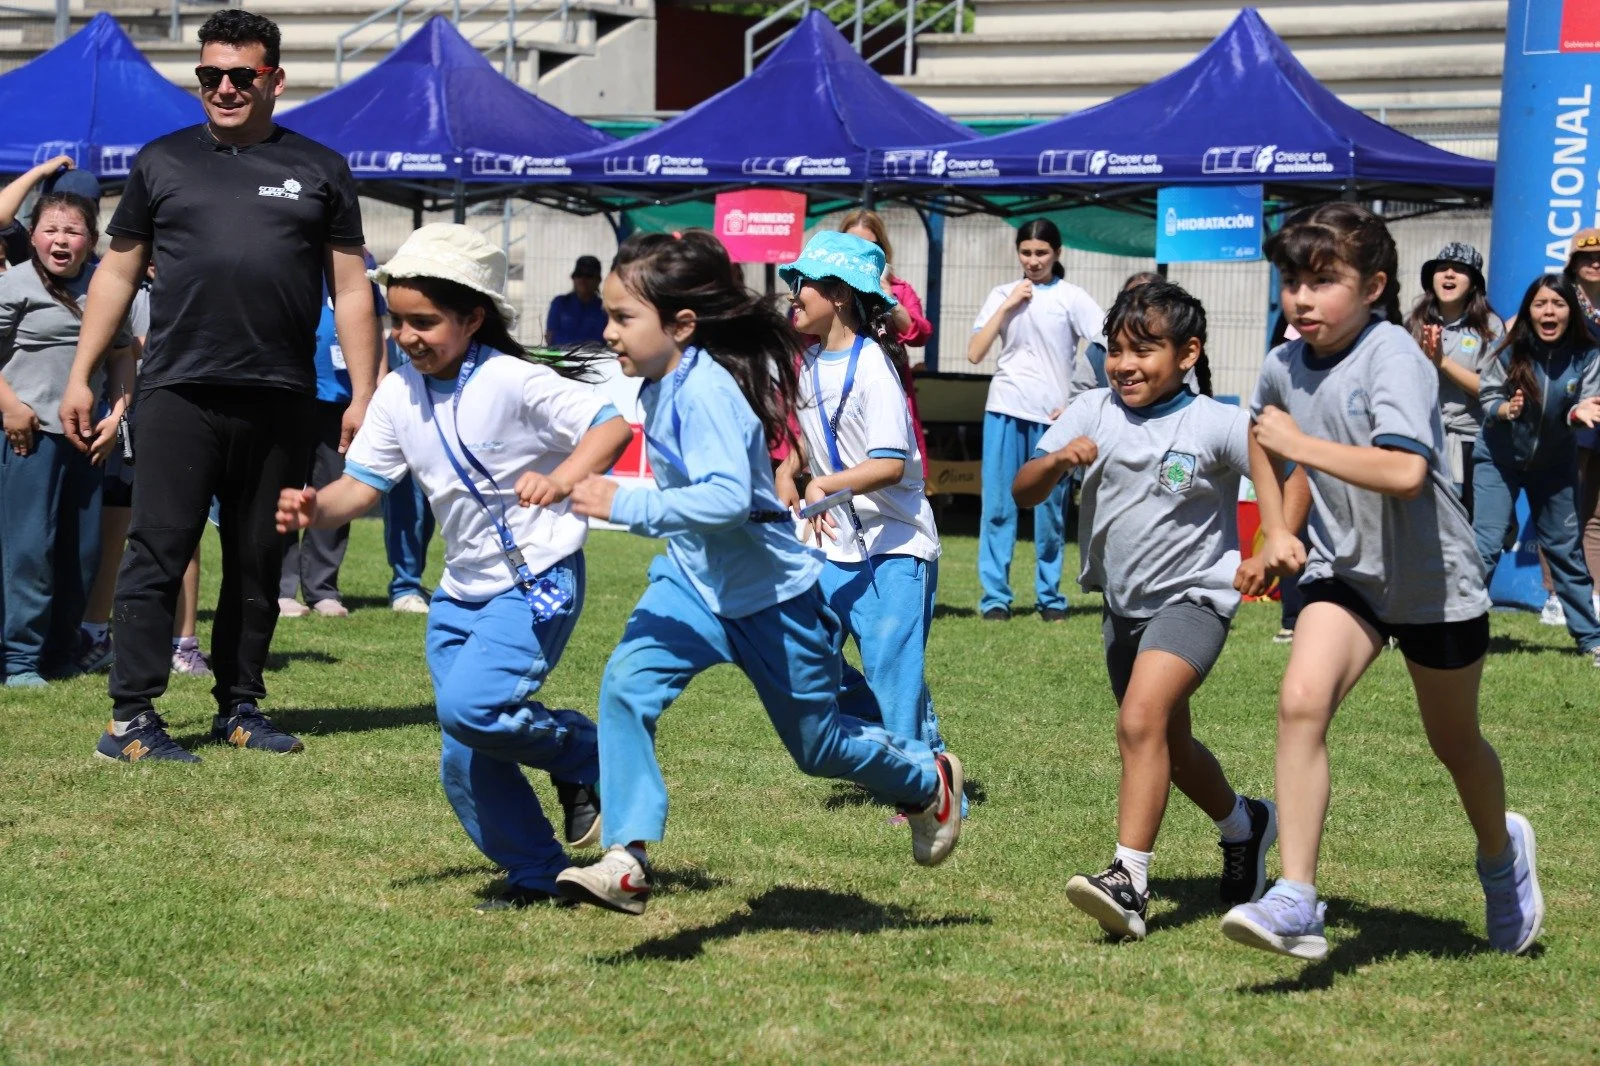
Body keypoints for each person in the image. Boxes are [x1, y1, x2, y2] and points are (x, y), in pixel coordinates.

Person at [555, 230, 964, 916]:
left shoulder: (708, 392)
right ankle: (627, 857)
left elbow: (725, 500)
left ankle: (928, 780)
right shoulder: (659, 384)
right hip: (691, 583)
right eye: (609, 316)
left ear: (682, 324)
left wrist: (622, 502)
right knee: (625, 688)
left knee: (819, 747)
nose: (608, 331)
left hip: (769, 596)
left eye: (623, 317)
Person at [1222, 202, 1543, 961]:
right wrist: (1279, 528)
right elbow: (1262, 436)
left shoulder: (1393, 353)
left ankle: (1501, 857)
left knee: (1454, 743)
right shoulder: (1282, 363)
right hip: (1348, 574)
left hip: (1436, 584)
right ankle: (1297, 897)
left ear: (1373, 287)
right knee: (1300, 703)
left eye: (1322, 281)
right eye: (1292, 282)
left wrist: (1301, 445)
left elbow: (1403, 472)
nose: (1301, 299)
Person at [276, 224, 627, 908]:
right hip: (459, 595)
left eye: (424, 322)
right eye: (397, 321)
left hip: (536, 579)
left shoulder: (513, 379)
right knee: (464, 751)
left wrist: (563, 480)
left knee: (472, 710)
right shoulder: (396, 395)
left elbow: (610, 425)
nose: (406, 336)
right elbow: (361, 488)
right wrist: (316, 508)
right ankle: (534, 874)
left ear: (472, 319)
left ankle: (585, 753)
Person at [62, 9, 379, 763]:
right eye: (210, 75)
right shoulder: (161, 161)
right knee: (158, 547)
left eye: (241, 75)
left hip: (282, 394)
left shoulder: (322, 168)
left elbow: (351, 289)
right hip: (179, 390)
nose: (225, 88)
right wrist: (81, 374)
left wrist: (367, 395)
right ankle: (130, 720)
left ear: (275, 78)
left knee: (258, 555)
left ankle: (240, 706)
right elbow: (116, 274)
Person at [1012, 281, 1276, 941]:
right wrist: (1056, 462)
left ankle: (1128, 881)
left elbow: (1286, 473)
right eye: (1116, 351)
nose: (1125, 365)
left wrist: (1274, 540)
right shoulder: (1091, 410)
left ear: (1188, 353)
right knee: (1169, 748)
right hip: (1123, 609)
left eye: (1144, 351)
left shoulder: (1216, 422)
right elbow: (1023, 489)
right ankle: (1245, 824)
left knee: (1138, 722)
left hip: (1194, 600)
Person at [776, 231, 946, 760]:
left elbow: (891, 464)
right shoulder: (807, 363)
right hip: (834, 543)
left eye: (803, 283)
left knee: (893, 675)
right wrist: (789, 467)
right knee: (806, 654)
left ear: (840, 295)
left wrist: (823, 484)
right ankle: (888, 732)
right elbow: (812, 437)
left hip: (894, 545)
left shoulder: (874, 366)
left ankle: (926, 782)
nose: (793, 294)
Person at [0, 191, 134, 687]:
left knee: (82, 552)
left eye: (73, 231)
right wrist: (11, 407)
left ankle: (61, 653)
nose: (61, 240)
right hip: (27, 437)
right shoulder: (13, 284)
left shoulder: (106, 287)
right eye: (51, 229)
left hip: (87, 439)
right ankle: (19, 659)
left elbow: (122, 354)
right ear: (32, 236)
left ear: (91, 240)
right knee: (28, 550)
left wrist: (116, 415)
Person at [77, 263, 213, 679]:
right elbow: (124, 347)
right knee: (115, 527)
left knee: (185, 529)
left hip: (182, 420)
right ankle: (95, 633)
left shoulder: (201, 283)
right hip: (127, 420)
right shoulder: (122, 285)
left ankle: (182, 643)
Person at [968, 218, 1102, 622]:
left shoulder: (1072, 297)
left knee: (1051, 512)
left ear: (1057, 253)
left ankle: (1050, 597)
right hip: (1004, 409)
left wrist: (1079, 401)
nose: (1033, 260)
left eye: (1041, 252)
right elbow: (974, 352)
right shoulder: (1002, 294)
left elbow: (1107, 341)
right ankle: (995, 597)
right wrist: (1008, 306)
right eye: (1025, 252)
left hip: (1053, 419)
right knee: (997, 507)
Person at [1470, 274, 1600, 664]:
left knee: (1565, 551)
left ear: (1570, 312)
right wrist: (1505, 409)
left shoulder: (1587, 355)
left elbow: (1587, 401)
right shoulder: (1509, 349)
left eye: (1558, 304)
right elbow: (1487, 394)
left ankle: (1591, 639)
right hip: (1499, 459)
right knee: (1486, 544)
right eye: (1540, 304)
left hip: (1554, 464)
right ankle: (1457, 629)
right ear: (1529, 311)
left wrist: (1577, 413)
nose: (1549, 312)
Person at [278, 276, 381, 619]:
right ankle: (280, 588)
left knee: (337, 490)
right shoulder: (291, 256)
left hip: (341, 404)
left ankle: (322, 589)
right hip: (290, 393)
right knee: (284, 491)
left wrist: (372, 391)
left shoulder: (362, 268)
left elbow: (372, 328)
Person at [1406, 242, 1503, 514]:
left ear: (1473, 285)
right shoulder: (1413, 323)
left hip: (1473, 443)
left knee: (1470, 524)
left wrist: (1442, 362)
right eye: (1442, 268)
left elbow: (1492, 391)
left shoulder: (1489, 327)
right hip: (1423, 439)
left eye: (1459, 270)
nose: (1449, 274)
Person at [837, 210, 933, 475]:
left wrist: (889, 300)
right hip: (839, 384)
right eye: (851, 243)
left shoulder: (898, 288)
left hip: (888, 385)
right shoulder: (827, 286)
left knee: (891, 456)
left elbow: (920, 333)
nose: (860, 252)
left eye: (870, 245)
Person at [1563, 229, 1600, 618]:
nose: (1595, 262)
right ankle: (1556, 595)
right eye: (1587, 257)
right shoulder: (1560, 303)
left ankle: (1596, 595)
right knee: (1564, 507)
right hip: (1573, 414)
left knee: (1597, 515)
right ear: (1573, 264)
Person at [544, 255, 607, 346]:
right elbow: (550, 337)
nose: (583, 280)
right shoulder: (559, 303)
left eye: (589, 275)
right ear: (573, 278)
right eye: (579, 275)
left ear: (598, 280)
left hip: (594, 355)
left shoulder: (604, 308)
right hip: (562, 354)